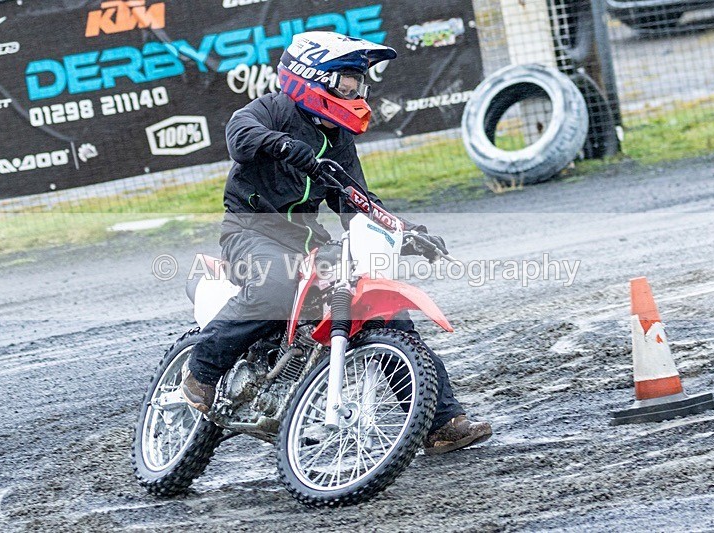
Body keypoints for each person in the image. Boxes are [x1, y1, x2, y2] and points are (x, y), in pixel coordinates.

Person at [182, 31, 491, 455]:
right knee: (275, 287)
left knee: (385, 312)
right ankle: (201, 370)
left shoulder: (340, 140)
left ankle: (440, 423)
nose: (356, 93)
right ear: (311, 78)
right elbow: (240, 136)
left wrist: (407, 231)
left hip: (309, 244)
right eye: (347, 84)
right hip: (251, 233)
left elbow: (357, 201)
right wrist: (284, 146)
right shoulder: (272, 110)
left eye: (359, 84)